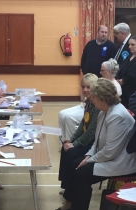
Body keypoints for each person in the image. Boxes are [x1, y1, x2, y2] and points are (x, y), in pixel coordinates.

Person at [57, 78, 136, 210]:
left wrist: (90, 160)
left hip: (120, 162)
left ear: (102, 98)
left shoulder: (117, 115)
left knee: (82, 174)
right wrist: (88, 156)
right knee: (75, 165)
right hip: (109, 157)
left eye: (93, 97)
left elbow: (111, 151)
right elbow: (97, 141)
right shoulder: (103, 112)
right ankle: (70, 205)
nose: (91, 99)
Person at [58, 74, 100, 193]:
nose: (85, 90)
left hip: (94, 143)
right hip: (87, 139)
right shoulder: (88, 102)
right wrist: (71, 139)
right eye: (83, 87)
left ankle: (69, 188)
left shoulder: (97, 105)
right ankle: (66, 184)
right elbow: (83, 123)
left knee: (72, 152)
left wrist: (75, 144)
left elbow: (92, 131)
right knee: (65, 148)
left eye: (88, 87)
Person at [116, 36, 136, 109]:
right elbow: (121, 69)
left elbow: (133, 75)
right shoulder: (129, 57)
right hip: (123, 91)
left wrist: (123, 80)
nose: (130, 47)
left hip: (132, 92)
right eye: (129, 45)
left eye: (132, 45)